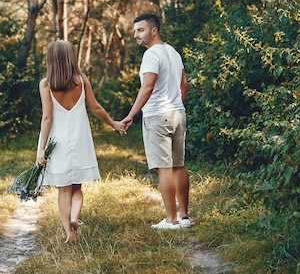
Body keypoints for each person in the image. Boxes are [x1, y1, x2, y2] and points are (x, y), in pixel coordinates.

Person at [36, 40, 126, 243]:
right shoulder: (81, 80)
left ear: (51, 59)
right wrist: (114, 124)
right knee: (77, 187)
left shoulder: (46, 84)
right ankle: (75, 218)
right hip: (80, 138)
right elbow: (95, 108)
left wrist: (41, 149)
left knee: (64, 189)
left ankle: (69, 232)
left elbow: (47, 118)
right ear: (71, 57)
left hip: (57, 141)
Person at [121, 13, 191, 230]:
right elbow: (184, 86)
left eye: (140, 30)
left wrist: (131, 114)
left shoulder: (152, 55)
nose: (136, 35)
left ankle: (171, 220)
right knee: (178, 166)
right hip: (178, 114)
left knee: (164, 168)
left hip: (158, 116)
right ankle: (184, 216)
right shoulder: (174, 52)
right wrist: (176, 104)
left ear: (154, 30)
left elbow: (147, 87)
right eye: (134, 31)